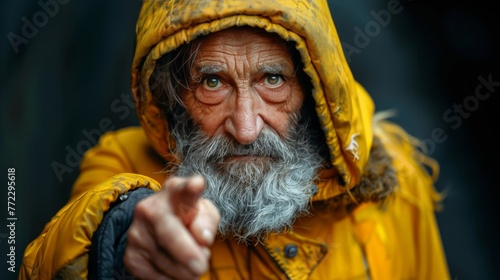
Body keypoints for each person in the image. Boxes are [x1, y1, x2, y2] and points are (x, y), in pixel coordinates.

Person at [20, 0, 450, 279]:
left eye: (274, 80)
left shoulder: (394, 177)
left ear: (315, 91)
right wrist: (119, 239)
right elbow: (63, 251)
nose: (245, 128)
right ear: (173, 96)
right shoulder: (122, 163)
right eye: (212, 82)